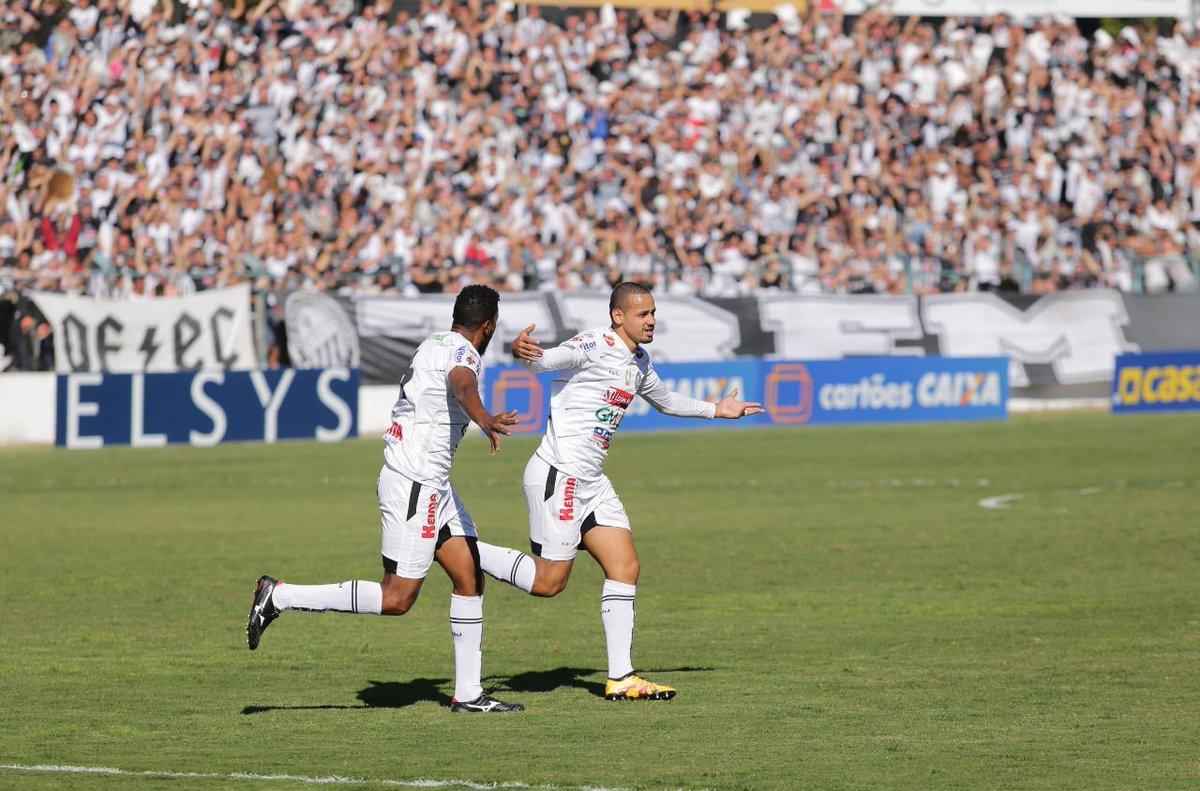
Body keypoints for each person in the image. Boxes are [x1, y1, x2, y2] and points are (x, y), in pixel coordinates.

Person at [474, 282, 763, 701]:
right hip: (560, 475)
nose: (651, 321)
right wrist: (524, 351)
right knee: (549, 583)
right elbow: (544, 362)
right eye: (643, 314)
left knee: (625, 566)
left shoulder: (638, 361)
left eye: (653, 313)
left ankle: (621, 677)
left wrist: (717, 409)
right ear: (618, 316)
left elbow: (665, 401)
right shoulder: (594, 343)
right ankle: (460, 546)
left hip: (592, 482)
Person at [245, 285, 525, 713]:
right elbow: (462, 382)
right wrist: (484, 417)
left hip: (430, 483)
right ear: (487, 327)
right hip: (416, 484)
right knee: (397, 598)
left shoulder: (432, 343)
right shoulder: (466, 354)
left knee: (468, 575)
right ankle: (280, 596)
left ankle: (469, 694)